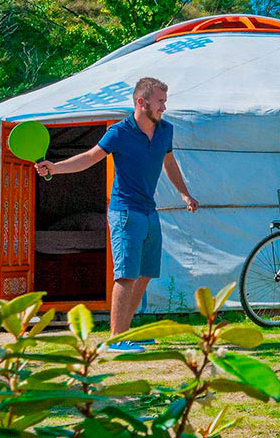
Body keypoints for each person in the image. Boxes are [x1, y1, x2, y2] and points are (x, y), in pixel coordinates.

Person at [36, 77, 199, 353]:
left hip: (149, 210)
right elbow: (89, 157)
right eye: (160, 102)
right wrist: (55, 168)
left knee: (145, 272)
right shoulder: (119, 133)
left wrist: (184, 193)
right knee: (125, 275)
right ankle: (115, 339)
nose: (164, 107)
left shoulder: (165, 131)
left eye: (165, 102)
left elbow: (168, 161)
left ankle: (127, 332)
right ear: (141, 102)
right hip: (124, 211)